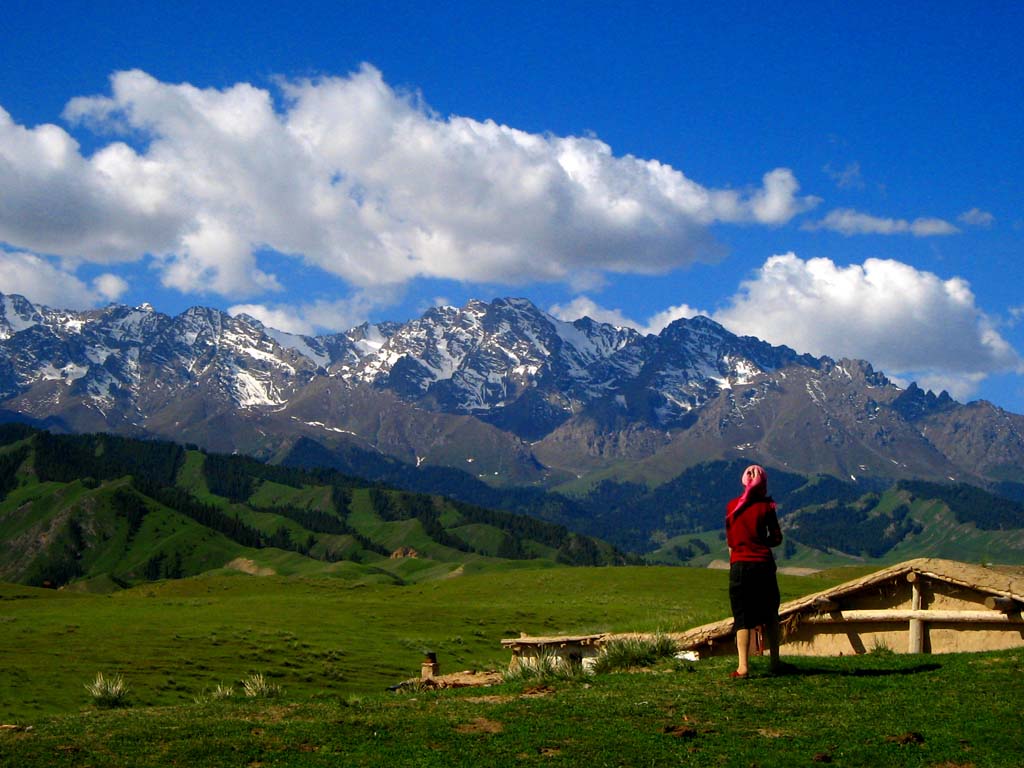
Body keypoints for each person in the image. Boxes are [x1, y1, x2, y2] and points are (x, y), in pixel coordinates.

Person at [726, 464, 784, 678]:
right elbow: (777, 538)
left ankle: (743, 667)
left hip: (739, 565)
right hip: (763, 565)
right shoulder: (767, 507)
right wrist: (762, 542)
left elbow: (731, 541)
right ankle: (775, 662)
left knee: (741, 617)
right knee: (770, 614)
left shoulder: (732, 506)